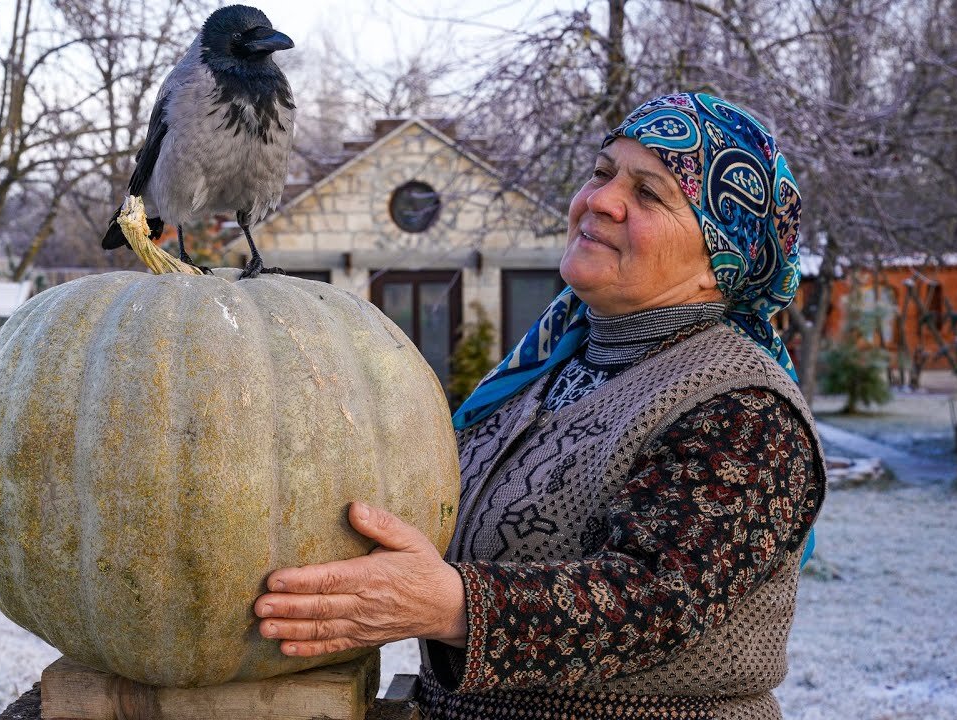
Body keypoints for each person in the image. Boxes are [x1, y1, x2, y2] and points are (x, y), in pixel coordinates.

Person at [254, 93, 825, 719]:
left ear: (722, 260)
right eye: (603, 172)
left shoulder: (745, 411)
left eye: (650, 193)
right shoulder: (540, 376)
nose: (600, 200)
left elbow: (659, 597)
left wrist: (451, 605)